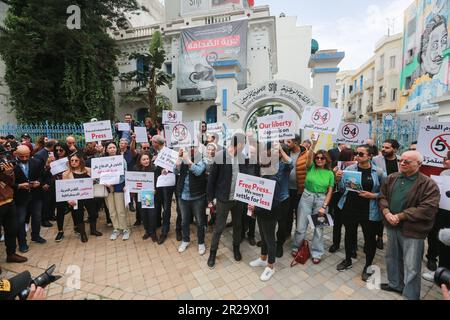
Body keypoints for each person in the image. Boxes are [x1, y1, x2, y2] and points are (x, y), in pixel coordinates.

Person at [379, 151, 440, 300]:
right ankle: (395, 284)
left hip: (413, 230)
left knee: (412, 266)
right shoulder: (392, 178)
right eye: (401, 160)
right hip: (392, 226)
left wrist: (400, 216)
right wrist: (386, 212)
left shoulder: (428, 184)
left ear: (419, 164)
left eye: (407, 161)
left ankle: (410, 295)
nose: (402, 163)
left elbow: (427, 208)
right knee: (392, 257)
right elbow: (382, 196)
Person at [335, 145, 386, 281]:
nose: (357, 156)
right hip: (349, 208)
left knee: (369, 239)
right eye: (356, 153)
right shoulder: (350, 169)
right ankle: (347, 260)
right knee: (349, 235)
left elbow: (386, 193)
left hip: (369, 211)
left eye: (361, 154)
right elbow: (342, 189)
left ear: (370, 156)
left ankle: (368, 266)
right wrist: (338, 179)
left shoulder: (379, 172)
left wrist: (373, 195)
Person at [249, 142, 293, 281]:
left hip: (270, 213)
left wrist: (256, 207)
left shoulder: (273, 178)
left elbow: (273, 202)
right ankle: (263, 258)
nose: (261, 162)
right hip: (260, 212)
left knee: (270, 240)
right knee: (263, 236)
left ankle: (270, 266)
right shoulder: (263, 175)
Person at [206, 133, 248, 269]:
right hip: (224, 199)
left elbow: (246, 176)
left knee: (237, 224)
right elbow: (212, 179)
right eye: (244, 144)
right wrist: (210, 199)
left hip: (239, 199)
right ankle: (212, 253)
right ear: (240, 144)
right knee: (219, 227)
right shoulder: (220, 156)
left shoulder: (242, 157)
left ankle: (236, 248)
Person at [291, 136, 334, 265]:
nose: (319, 160)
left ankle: (317, 252)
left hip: (321, 200)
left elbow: (330, 191)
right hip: (306, 197)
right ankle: (296, 247)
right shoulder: (310, 167)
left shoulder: (330, 173)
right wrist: (314, 144)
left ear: (326, 160)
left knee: (319, 228)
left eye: (322, 158)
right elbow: (309, 157)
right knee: (300, 226)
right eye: (317, 158)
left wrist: (324, 206)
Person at [422, 151, 450, 281]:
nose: (444, 160)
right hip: (442, 213)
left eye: (447, 158)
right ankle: (439, 271)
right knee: (439, 239)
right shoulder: (444, 173)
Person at [62, 153, 102, 242]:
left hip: (89, 196)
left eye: (76, 160)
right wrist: (69, 200)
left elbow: (97, 180)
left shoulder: (88, 170)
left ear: (80, 161)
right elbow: (64, 189)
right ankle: (83, 234)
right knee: (79, 215)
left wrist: (94, 181)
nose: (74, 162)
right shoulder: (66, 174)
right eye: (72, 161)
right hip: (76, 199)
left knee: (93, 213)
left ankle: (93, 230)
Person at [13, 145, 46, 253]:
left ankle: (36, 236)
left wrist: (39, 183)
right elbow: (8, 183)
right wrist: (18, 186)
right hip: (20, 197)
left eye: (26, 156)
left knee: (37, 217)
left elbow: (42, 175)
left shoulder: (36, 162)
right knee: (21, 221)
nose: (24, 159)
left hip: (36, 195)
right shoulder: (11, 165)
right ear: (16, 155)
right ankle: (22, 243)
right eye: (21, 157)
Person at [175, 146, 207, 255]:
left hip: (197, 196)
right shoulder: (183, 156)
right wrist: (179, 159)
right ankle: (185, 240)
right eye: (190, 145)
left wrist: (187, 159)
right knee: (184, 221)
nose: (192, 148)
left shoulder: (203, 157)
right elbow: (175, 171)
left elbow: (198, 171)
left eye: (194, 145)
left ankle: (201, 243)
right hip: (183, 195)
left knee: (200, 221)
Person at [372, 139, 401, 250]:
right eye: (383, 147)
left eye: (387, 147)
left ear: (395, 149)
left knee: (393, 216)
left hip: (396, 193)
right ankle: (379, 237)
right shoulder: (376, 159)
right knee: (379, 217)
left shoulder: (401, 160)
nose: (383, 149)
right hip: (381, 192)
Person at [0, 162, 27, 271]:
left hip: (8, 201)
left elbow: (11, 183)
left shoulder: (3, 164)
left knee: (12, 229)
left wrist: (9, 173)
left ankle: (11, 254)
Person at [151, 135, 178, 245]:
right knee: (157, 205)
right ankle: (158, 224)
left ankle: (165, 231)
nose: (152, 144)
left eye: (153, 142)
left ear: (157, 143)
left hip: (167, 184)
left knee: (166, 207)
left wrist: (167, 168)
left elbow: (175, 167)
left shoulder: (170, 152)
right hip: (158, 184)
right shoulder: (155, 153)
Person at [329, 148, 356, 254]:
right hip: (338, 196)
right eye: (352, 156)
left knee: (351, 224)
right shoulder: (336, 166)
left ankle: (352, 247)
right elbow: (332, 184)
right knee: (337, 222)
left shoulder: (356, 166)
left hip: (350, 197)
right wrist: (335, 176)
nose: (353, 158)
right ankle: (336, 243)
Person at [103, 142, 130, 241]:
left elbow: (124, 174)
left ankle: (125, 229)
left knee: (120, 209)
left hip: (119, 187)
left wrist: (114, 182)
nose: (112, 149)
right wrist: (105, 182)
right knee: (112, 210)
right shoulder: (102, 161)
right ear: (106, 150)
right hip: (107, 188)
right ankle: (116, 228)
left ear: (116, 149)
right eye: (110, 147)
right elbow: (98, 175)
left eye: (114, 147)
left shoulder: (121, 160)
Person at [285, 135, 307, 239]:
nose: (286, 144)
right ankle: (287, 233)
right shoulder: (286, 152)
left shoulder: (306, 154)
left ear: (296, 142)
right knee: (287, 213)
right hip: (287, 189)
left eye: (289, 142)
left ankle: (298, 238)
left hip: (300, 191)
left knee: (300, 215)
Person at [133, 152, 158, 242]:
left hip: (149, 195)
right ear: (139, 161)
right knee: (143, 214)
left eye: (147, 159)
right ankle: (147, 231)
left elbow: (156, 181)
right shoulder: (135, 169)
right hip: (139, 195)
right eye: (144, 159)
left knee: (151, 214)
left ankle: (153, 232)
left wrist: (155, 189)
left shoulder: (154, 169)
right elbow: (132, 181)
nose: (146, 161)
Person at [51, 143, 71, 242]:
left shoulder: (71, 159)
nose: (58, 152)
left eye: (61, 150)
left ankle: (77, 227)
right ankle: (60, 231)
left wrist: (70, 166)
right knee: (60, 210)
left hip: (71, 186)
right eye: (56, 150)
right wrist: (47, 166)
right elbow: (48, 175)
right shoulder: (52, 161)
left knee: (74, 207)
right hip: (59, 188)